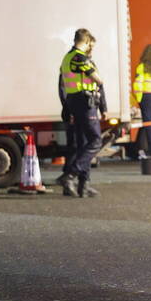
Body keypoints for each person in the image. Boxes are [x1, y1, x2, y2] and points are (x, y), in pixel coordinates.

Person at [56, 28, 104, 198]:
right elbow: (98, 80)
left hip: (74, 102)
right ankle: (70, 175)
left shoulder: (67, 57)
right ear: (85, 41)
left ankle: (84, 184)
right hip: (84, 102)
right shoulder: (79, 57)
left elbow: (63, 84)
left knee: (82, 144)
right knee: (95, 141)